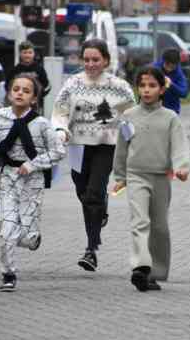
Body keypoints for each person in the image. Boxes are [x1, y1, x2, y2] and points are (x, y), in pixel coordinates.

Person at [0, 74, 66, 291]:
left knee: (25, 234)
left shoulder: (41, 124)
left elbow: (58, 151)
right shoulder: (1, 120)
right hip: (7, 179)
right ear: (9, 93)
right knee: (7, 231)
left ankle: (33, 239)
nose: (20, 93)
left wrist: (33, 165)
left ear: (34, 98)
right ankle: (8, 274)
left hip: (32, 183)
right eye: (16, 89)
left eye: (26, 91)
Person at [52, 39, 136, 272]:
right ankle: (101, 206)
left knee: (92, 194)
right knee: (83, 194)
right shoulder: (72, 84)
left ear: (106, 61)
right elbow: (59, 111)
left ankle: (91, 250)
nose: (90, 64)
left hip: (106, 146)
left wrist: (131, 135)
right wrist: (60, 129)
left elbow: (132, 113)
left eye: (96, 59)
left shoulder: (118, 86)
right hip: (79, 146)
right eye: (86, 59)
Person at [112, 67, 190, 292]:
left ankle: (155, 272)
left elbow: (179, 146)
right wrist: (120, 176)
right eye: (142, 86)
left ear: (162, 89)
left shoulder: (170, 118)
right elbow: (122, 148)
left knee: (159, 227)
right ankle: (141, 267)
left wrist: (181, 167)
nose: (146, 90)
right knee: (140, 221)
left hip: (161, 178)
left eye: (152, 86)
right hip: (136, 175)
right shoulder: (128, 116)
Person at [4, 41, 50, 110]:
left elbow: (47, 86)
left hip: (35, 105)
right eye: (25, 53)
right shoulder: (15, 70)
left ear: (34, 53)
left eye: (30, 52)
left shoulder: (39, 69)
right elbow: (7, 86)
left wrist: (38, 96)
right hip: (18, 104)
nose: (27, 55)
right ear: (20, 54)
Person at [153, 48, 188, 114]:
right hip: (153, 108)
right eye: (167, 65)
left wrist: (171, 84)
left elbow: (184, 93)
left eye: (172, 67)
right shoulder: (154, 68)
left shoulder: (179, 74)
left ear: (177, 64)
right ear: (163, 60)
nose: (169, 69)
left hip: (171, 110)